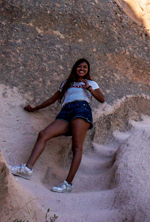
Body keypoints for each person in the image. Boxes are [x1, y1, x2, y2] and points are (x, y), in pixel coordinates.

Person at [9, 58, 105, 193]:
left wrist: (88, 88)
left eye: (84, 67)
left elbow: (102, 99)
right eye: (79, 66)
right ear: (75, 68)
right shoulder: (67, 83)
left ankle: (68, 184)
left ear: (87, 70)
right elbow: (52, 99)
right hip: (65, 112)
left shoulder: (91, 83)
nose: (81, 69)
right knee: (43, 134)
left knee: (77, 147)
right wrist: (35, 108)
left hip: (81, 109)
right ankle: (27, 169)